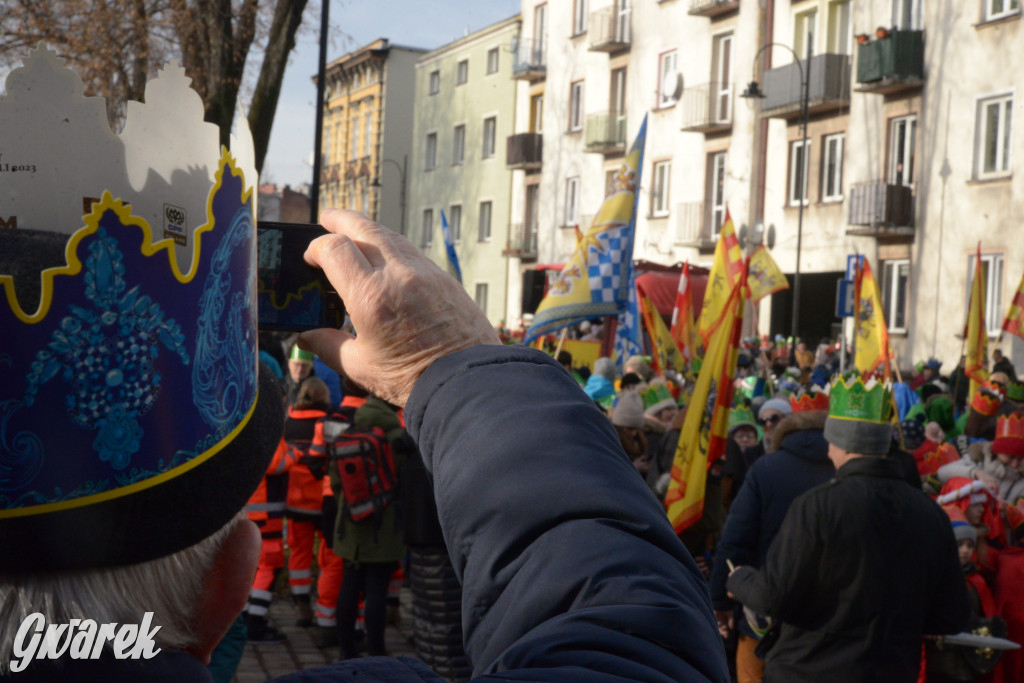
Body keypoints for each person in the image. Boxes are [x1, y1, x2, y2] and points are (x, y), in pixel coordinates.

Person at [726, 376, 969, 682]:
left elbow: (773, 596)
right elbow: (952, 615)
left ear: (836, 443)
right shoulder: (931, 513)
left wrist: (740, 579)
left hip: (808, 671)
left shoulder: (817, 507)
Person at [710, 403, 834, 683]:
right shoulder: (846, 472)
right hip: (830, 621)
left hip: (763, 614)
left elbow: (735, 540)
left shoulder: (766, 468)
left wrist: (720, 600)